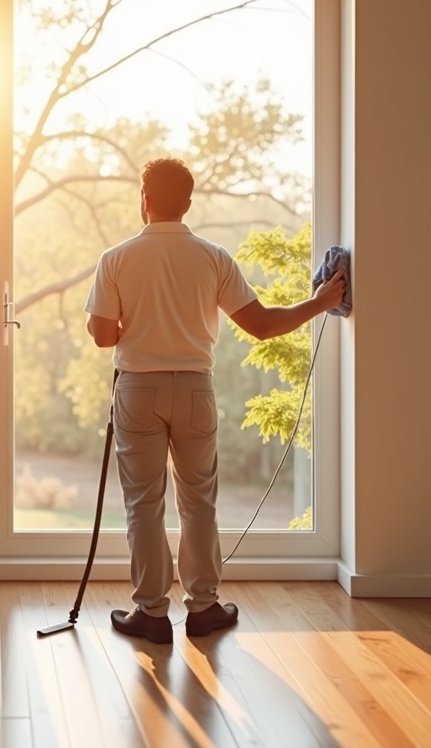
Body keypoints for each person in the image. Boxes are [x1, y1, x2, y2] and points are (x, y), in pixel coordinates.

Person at [83, 157, 347, 643]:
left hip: (137, 388)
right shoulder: (213, 257)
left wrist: (137, 328)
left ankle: (152, 613)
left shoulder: (115, 259)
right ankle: (203, 607)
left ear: (144, 201)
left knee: (144, 504)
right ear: (187, 204)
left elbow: (102, 336)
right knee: (198, 502)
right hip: (195, 389)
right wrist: (322, 302)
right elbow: (263, 326)